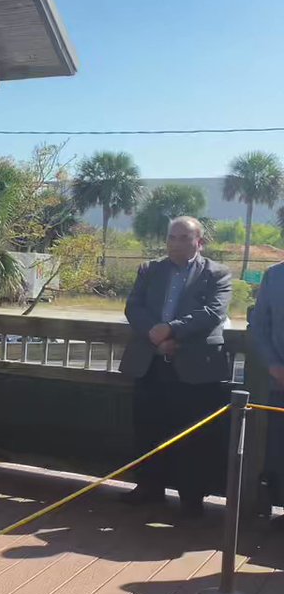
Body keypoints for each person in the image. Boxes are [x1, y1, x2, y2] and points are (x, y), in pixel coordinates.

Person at [120, 216, 232, 517]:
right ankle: (149, 487)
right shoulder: (149, 270)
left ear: (200, 242)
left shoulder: (217, 273)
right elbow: (135, 307)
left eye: (184, 237)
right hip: (151, 365)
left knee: (194, 436)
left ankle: (192, 498)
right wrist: (156, 337)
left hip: (196, 369)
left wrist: (171, 329)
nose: (176, 243)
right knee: (147, 429)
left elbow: (212, 312)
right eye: (172, 237)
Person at [250, 261, 284, 511]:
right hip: (280, 381)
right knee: (280, 452)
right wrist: (273, 364)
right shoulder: (274, 276)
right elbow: (259, 327)